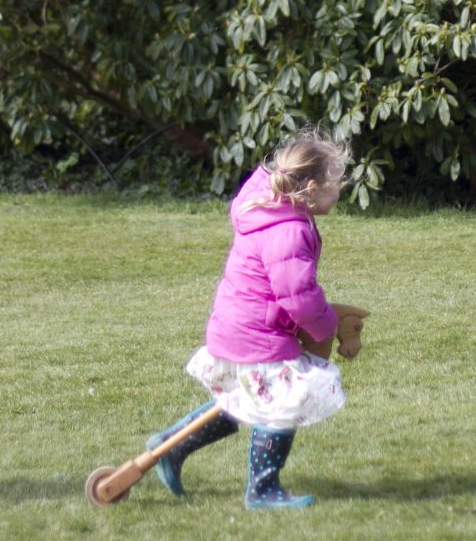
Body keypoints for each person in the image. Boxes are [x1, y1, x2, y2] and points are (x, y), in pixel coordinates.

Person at [142, 127, 352, 509]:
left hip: (236, 326)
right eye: (335, 183)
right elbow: (299, 297)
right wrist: (327, 325)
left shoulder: (266, 204)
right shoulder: (288, 229)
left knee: (243, 399)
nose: (339, 191)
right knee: (282, 403)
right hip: (259, 336)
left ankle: (170, 445)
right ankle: (262, 490)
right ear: (310, 188)